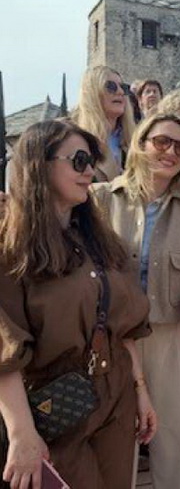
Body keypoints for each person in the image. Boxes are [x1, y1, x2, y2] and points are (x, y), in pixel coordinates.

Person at [0, 120, 155, 488]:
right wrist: (21, 432)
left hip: (116, 396)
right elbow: (5, 350)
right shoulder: (10, 250)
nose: (89, 172)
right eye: (79, 160)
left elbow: (125, 330)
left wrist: (141, 392)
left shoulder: (100, 241)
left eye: (92, 161)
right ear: (40, 164)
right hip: (57, 406)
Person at [91, 113, 180, 488]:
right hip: (112, 338)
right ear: (141, 143)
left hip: (170, 332)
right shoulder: (102, 199)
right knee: (113, 445)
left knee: (178, 444)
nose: (171, 152)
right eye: (162, 142)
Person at [73, 65, 136, 181]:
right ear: (93, 93)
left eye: (123, 87)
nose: (120, 92)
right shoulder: (76, 140)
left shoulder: (135, 141)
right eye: (111, 87)